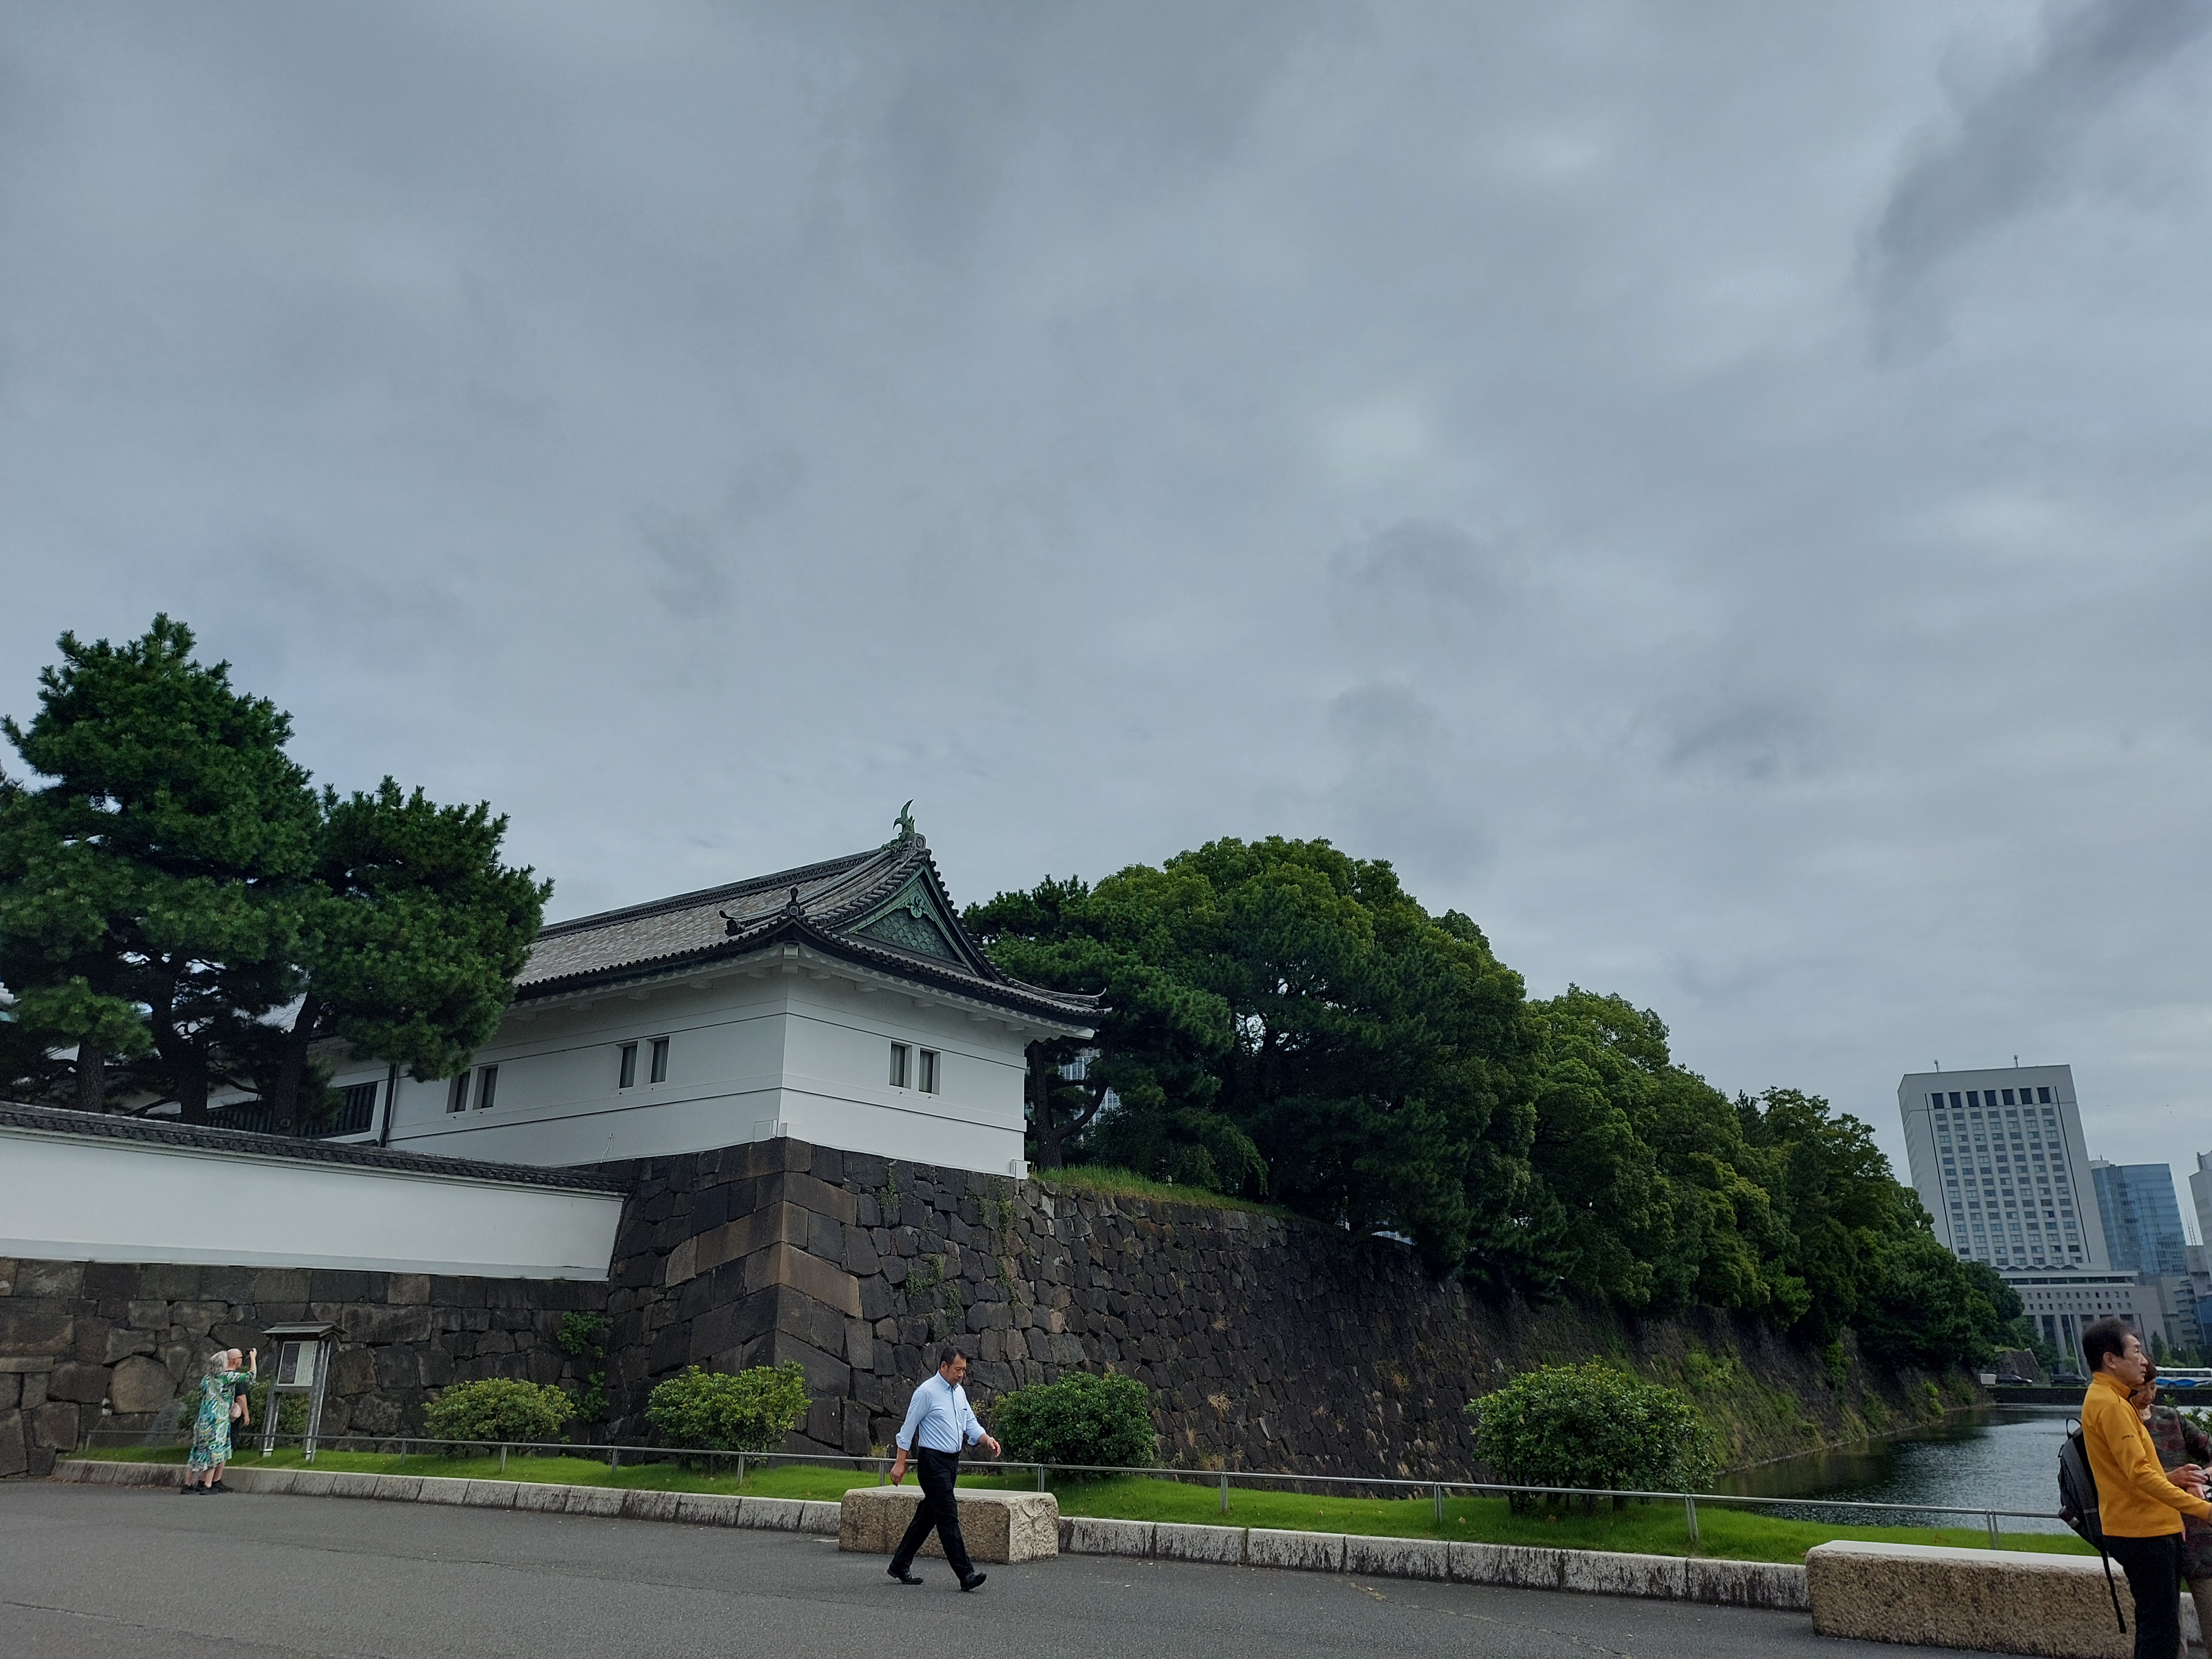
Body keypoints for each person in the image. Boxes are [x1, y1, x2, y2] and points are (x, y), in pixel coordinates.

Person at [2079, 1318, 2210, 1659]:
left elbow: (2136, 1475)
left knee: (2158, 1629)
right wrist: (2206, 1510)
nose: (2143, 1360)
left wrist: (2175, 1485)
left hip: (2144, 1529)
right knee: (2161, 1635)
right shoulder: (2112, 1405)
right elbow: (2140, 1476)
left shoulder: (2109, 1399)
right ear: (2111, 1359)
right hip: (2144, 1533)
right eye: (2135, 1351)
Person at [885, 1343, 1001, 1592]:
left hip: (951, 1462)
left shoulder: (958, 1392)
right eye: (957, 1370)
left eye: (964, 1371)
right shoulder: (926, 1392)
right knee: (948, 1516)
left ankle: (900, 1564)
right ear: (944, 1366)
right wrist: (900, 1463)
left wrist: (986, 1440)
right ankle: (966, 1574)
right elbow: (907, 1429)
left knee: (928, 1516)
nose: (961, 1375)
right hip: (932, 1462)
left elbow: (970, 1422)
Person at [2132, 1361, 2212, 1653]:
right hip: (2155, 1536)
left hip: (2197, 1536)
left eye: (2153, 1388)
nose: (2148, 1396)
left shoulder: (2172, 1419)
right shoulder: (2121, 1426)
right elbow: (2122, 1482)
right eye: (2140, 1390)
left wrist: (2199, 1477)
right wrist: (2170, 1479)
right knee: (2168, 1633)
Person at [183, 1347, 256, 1495]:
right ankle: (208, 1485)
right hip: (218, 1419)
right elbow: (251, 1377)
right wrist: (253, 1358)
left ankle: (188, 1484)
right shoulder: (228, 1377)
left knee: (198, 1449)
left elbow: (203, 1393)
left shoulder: (207, 1378)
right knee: (215, 1450)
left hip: (203, 1418)